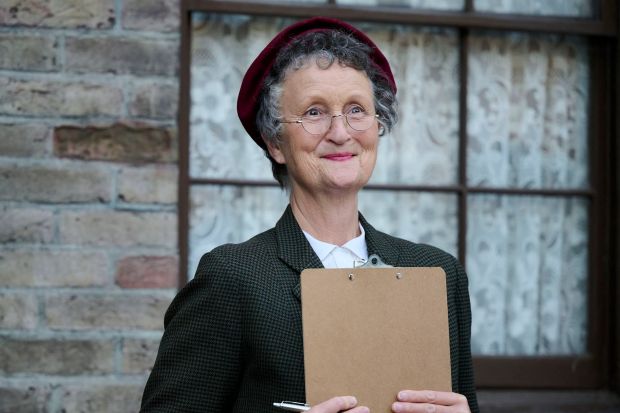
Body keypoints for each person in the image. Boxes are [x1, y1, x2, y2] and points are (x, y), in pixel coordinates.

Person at [141, 17, 479, 413]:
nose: (340, 132)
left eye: (357, 110)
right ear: (275, 143)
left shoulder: (437, 274)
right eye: (314, 113)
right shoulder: (232, 279)